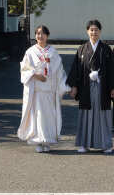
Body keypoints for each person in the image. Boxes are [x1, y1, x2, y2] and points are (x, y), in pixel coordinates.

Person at [67, 19, 114, 154]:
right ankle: (84, 144)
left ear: (100, 31)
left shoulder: (106, 49)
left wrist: (113, 88)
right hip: (86, 87)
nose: (94, 32)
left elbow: (112, 69)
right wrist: (74, 86)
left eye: (96, 30)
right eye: (91, 30)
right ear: (87, 31)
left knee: (103, 115)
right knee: (86, 115)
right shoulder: (82, 49)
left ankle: (105, 144)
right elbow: (76, 69)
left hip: (102, 87)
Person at [17, 25, 70, 153]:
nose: (40, 36)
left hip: (50, 91)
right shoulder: (30, 52)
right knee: (37, 116)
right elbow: (24, 69)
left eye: (42, 33)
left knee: (49, 117)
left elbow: (60, 71)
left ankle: (48, 141)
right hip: (36, 91)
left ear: (47, 35)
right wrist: (35, 75)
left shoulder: (53, 52)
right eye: (38, 33)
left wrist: (64, 86)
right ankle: (38, 141)